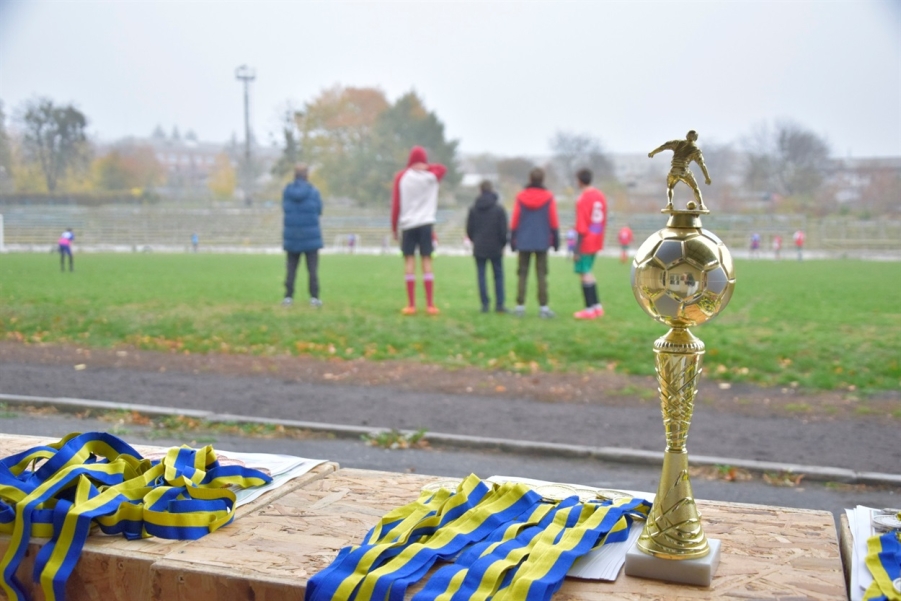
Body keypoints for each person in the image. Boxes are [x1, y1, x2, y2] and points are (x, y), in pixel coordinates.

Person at [391, 146, 447, 315]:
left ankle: (411, 305)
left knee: (409, 261)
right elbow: (443, 168)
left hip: (407, 224)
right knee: (427, 262)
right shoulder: (431, 176)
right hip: (426, 224)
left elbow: (396, 204)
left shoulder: (401, 177)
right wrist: (427, 167)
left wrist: (394, 227)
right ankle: (430, 305)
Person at [510, 167, 559, 318]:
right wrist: (555, 239)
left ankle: (520, 306)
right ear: (542, 180)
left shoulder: (521, 196)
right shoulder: (548, 197)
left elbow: (515, 219)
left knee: (522, 274)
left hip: (524, 240)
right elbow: (553, 219)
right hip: (542, 240)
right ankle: (543, 307)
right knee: (542, 274)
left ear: (530, 179)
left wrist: (512, 238)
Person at [282, 164, 323, 307]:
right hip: (311, 236)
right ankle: (314, 297)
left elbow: (285, 208)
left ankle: (288, 297)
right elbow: (319, 210)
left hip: (292, 235)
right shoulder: (313, 192)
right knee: (312, 269)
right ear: (307, 175)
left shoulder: (287, 191)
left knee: (291, 268)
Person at [466, 180, 508, 313]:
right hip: (495, 246)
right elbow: (503, 230)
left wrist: (475, 240)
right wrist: (502, 244)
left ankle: (485, 305)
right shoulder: (499, 209)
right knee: (498, 276)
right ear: (492, 190)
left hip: (479, 246)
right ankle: (499, 305)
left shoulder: (473, 209)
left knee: (481, 275)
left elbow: (469, 229)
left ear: (480, 190)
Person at [572, 169, 607, 320]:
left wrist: (576, 248)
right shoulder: (600, 196)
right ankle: (597, 307)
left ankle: (589, 309)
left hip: (586, 240)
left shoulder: (583, 198)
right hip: (597, 238)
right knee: (589, 272)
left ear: (579, 181)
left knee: (584, 273)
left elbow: (581, 224)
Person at [648, 130, 712, 211]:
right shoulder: (696, 150)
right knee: (695, 188)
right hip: (684, 171)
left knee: (670, 188)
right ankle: (701, 205)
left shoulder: (678, 143)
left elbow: (663, 147)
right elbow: (702, 164)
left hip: (673, 171)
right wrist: (707, 177)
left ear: (687, 136)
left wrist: (652, 152)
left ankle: (670, 203)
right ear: (695, 138)